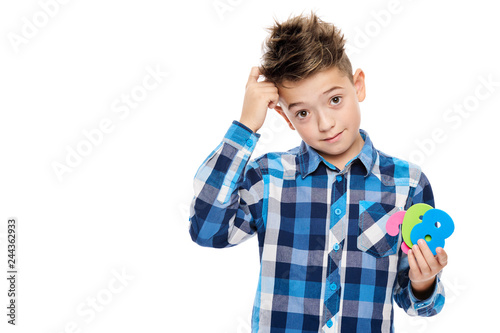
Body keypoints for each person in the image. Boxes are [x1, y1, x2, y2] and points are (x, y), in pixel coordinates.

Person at [189, 11, 448, 333]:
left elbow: (418, 303)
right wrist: (245, 127)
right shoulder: (269, 176)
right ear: (286, 118)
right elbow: (207, 232)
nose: (325, 124)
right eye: (302, 113)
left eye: (335, 99)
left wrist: (424, 281)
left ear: (359, 86)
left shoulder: (407, 182)